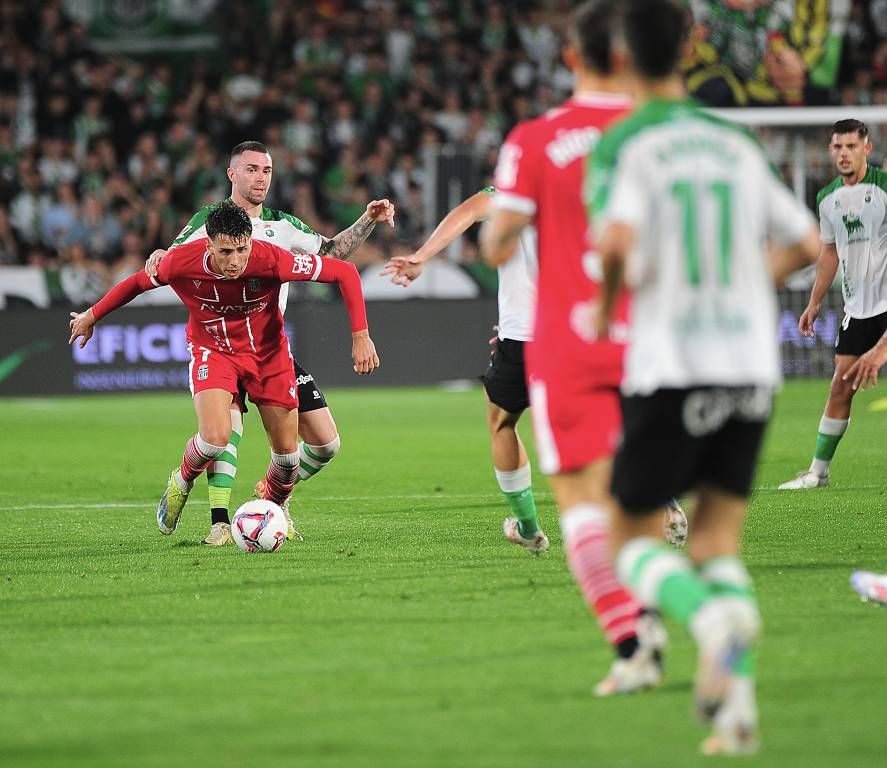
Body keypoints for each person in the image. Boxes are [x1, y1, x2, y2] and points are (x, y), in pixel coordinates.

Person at [587, 0, 819, 753]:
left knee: (627, 534)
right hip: (751, 365)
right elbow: (807, 242)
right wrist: (743, 280)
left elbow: (616, 241)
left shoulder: (626, 145)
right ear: (689, 46)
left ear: (620, 54)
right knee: (718, 539)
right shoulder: (731, 142)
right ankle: (739, 711)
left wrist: (605, 304)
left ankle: (710, 623)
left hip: (674, 363)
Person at [479, 0, 679, 697]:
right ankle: (671, 609)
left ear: (572, 58)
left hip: (569, 346)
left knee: (585, 508)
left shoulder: (535, 139)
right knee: (645, 496)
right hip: (655, 343)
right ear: (628, 58)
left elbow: (496, 241)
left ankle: (632, 642)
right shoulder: (662, 134)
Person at [69, 201, 379, 539]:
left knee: (288, 460)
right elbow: (137, 284)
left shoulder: (270, 258)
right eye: (226, 251)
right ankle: (182, 480)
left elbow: (344, 272)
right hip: (214, 351)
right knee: (215, 439)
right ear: (209, 244)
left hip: (269, 356)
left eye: (242, 249)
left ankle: (268, 513)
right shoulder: (180, 262)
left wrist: (360, 336)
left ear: (250, 240)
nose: (235, 261)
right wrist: (91, 316)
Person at [146, 141, 394, 545]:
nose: (260, 177)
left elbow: (333, 253)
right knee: (223, 433)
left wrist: (366, 220)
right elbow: (170, 259)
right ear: (232, 174)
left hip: (270, 348)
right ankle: (220, 523)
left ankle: (270, 495)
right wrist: (157, 252)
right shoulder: (209, 220)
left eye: (266, 170)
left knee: (326, 443)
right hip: (220, 343)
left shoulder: (284, 226)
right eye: (251, 169)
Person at [381, 186, 550, 553]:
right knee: (604, 420)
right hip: (577, 329)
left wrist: (422, 256)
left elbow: (468, 211)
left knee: (502, 423)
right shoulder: (594, 187)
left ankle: (529, 526)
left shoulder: (515, 191)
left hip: (523, 334)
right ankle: (660, 498)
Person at [778, 121, 887, 490]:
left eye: (851, 146)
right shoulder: (827, 198)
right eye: (837, 147)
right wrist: (813, 302)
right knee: (840, 388)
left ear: (866, 149)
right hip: (857, 309)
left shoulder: (884, 188)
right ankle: (818, 473)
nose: (844, 153)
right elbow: (827, 252)